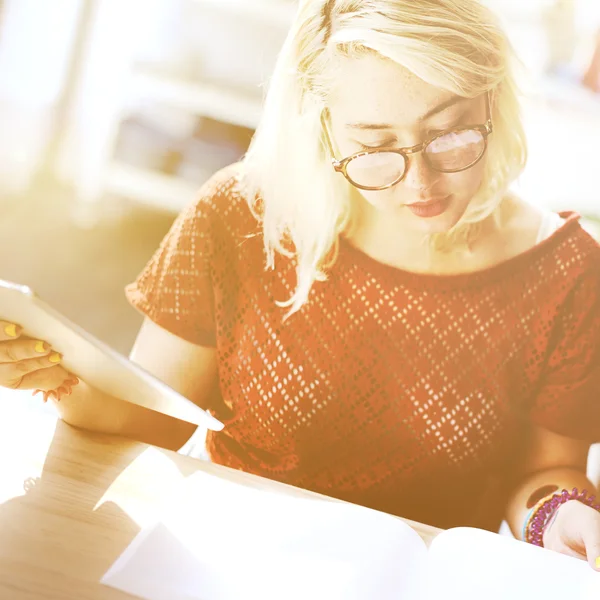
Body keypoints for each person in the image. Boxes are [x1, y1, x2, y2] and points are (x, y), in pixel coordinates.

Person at [2, 0, 600, 568]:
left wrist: (561, 515)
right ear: (323, 127)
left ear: (494, 100)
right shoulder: (239, 217)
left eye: (449, 135)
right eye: (375, 146)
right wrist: (57, 375)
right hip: (223, 563)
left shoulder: (568, 272)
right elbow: (157, 418)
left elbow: (544, 472)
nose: (419, 181)